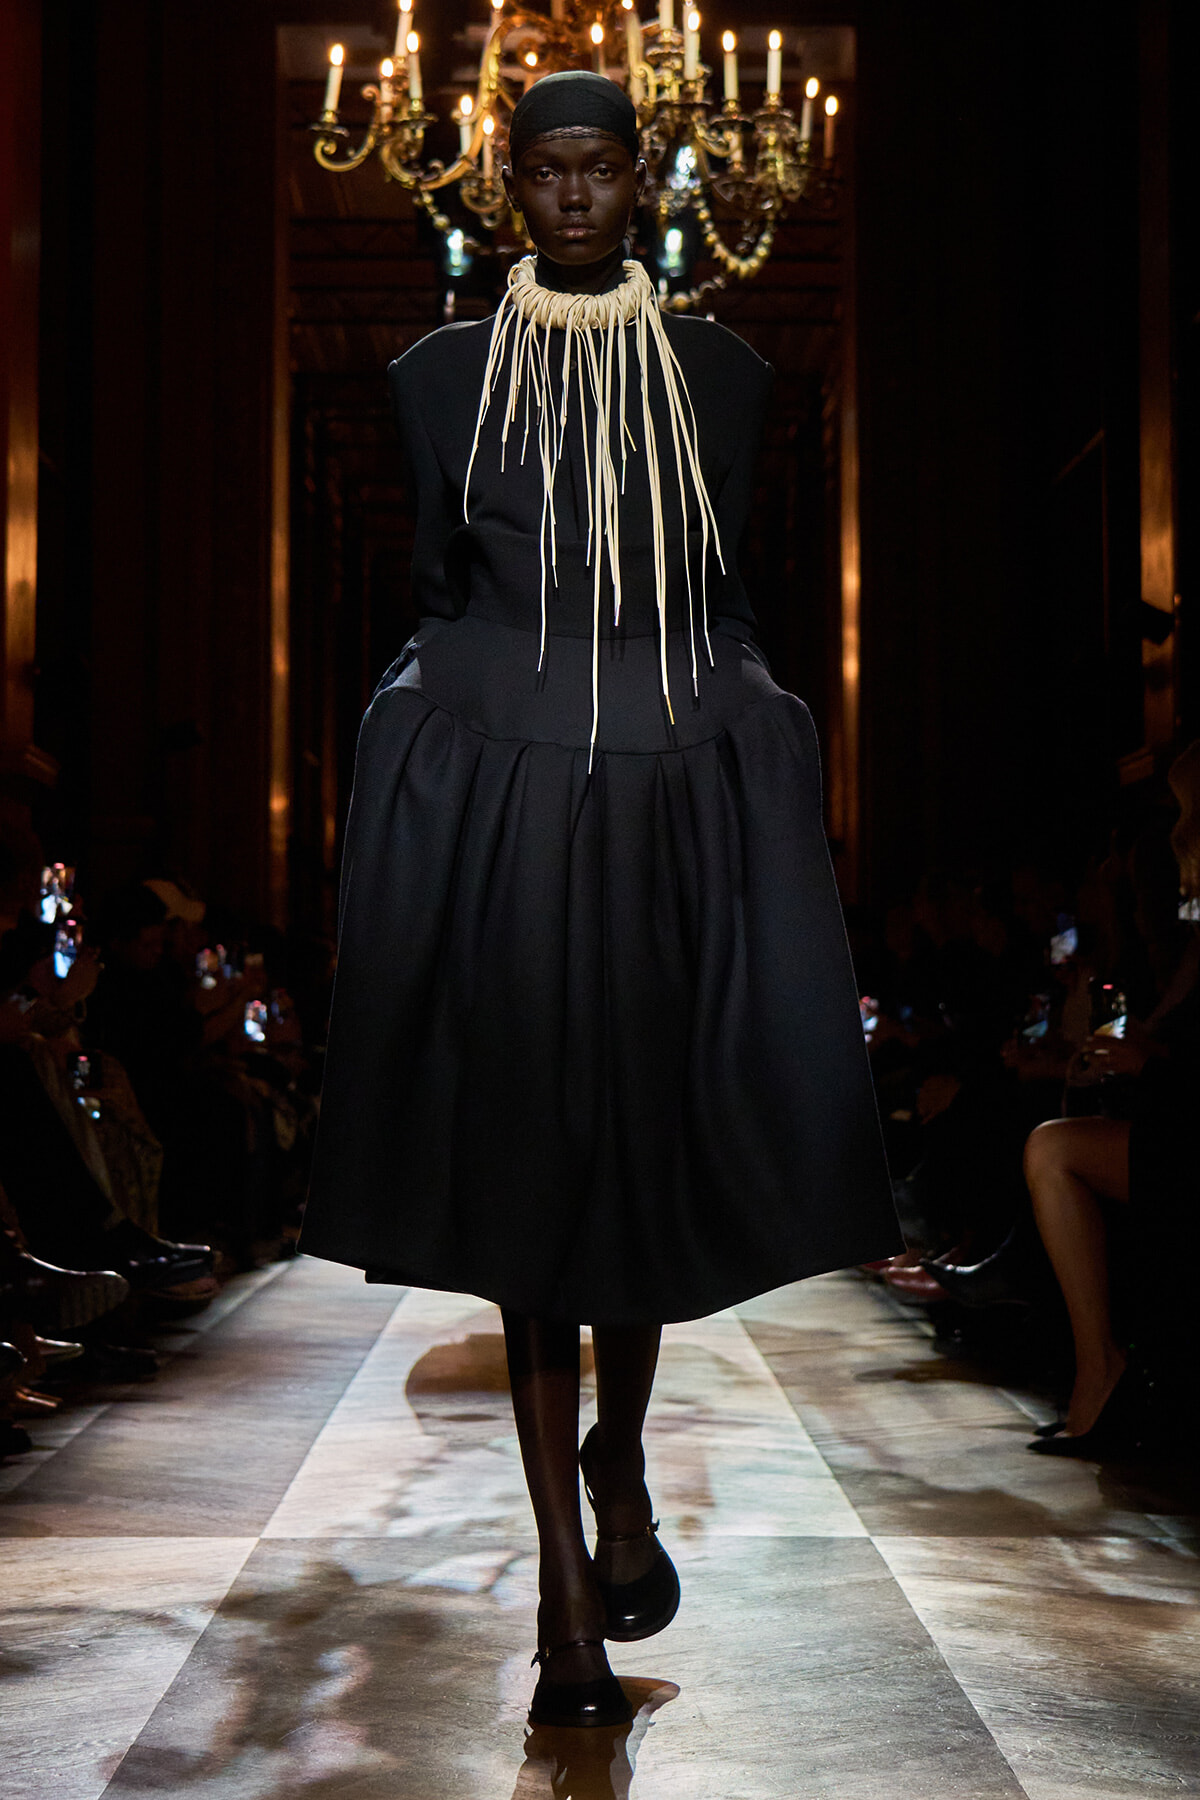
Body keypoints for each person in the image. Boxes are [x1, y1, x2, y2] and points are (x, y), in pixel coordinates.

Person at [299, 72, 899, 1728]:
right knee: (527, 1190)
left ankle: (617, 1454)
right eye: (546, 173)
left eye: (601, 171)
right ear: (511, 185)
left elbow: (723, 594)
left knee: (635, 1165)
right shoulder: (439, 378)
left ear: (643, 183)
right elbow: (441, 593)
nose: (573, 198)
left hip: (660, 796)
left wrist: (751, 739)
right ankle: (568, 1606)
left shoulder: (722, 377)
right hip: (508, 808)